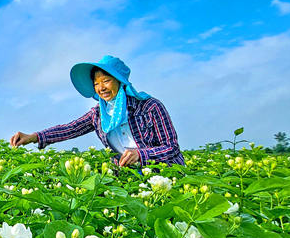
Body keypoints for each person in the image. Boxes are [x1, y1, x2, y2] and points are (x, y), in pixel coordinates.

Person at [10, 55, 184, 167]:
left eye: (106, 80)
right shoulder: (99, 114)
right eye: (96, 83)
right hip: (129, 176)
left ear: (120, 81)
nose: (101, 88)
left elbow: (171, 147)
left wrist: (140, 154)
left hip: (165, 175)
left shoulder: (149, 106)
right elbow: (70, 128)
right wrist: (32, 137)